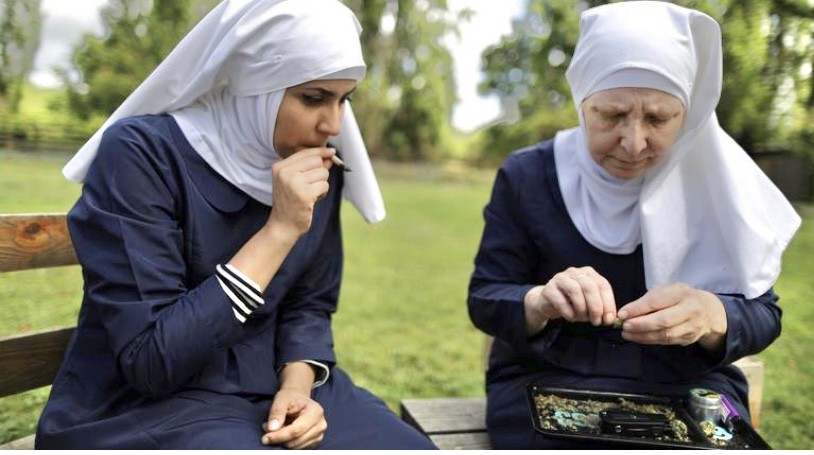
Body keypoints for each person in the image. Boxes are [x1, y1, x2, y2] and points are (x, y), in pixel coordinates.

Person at [35, 0, 436, 449]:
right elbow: (152, 360)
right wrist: (279, 230)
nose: (333, 124)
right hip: (147, 406)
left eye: (345, 99)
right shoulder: (141, 155)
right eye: (313, 98)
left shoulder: (317, 170)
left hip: (270, 384)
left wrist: (297, 391)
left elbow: (309, 305)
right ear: (255, 85)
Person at [467, 1, 801, 449]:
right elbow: (486, 296)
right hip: (547, 383)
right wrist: (540, 300)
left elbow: (764, 314)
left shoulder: (717, 182)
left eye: (659, 119)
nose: (633, 142)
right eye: (611, 115)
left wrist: (712, 315)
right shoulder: (527, 175)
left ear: (689, 113)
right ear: (582, 102)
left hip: (689, 391)